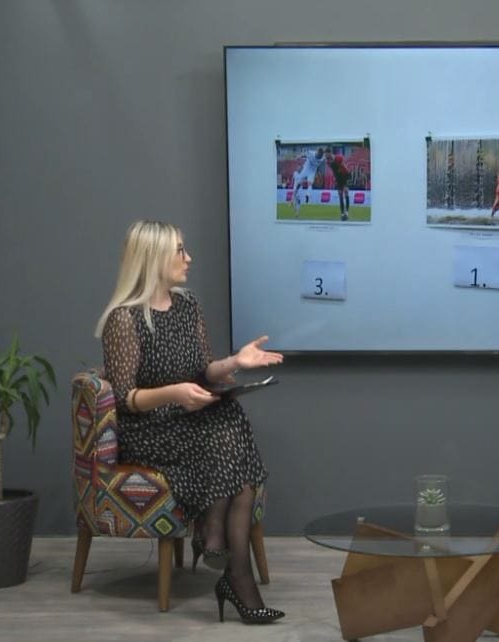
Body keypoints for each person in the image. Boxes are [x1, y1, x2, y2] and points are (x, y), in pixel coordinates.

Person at [94, 220, 285, 624]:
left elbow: (204, 370)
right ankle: (233, 570)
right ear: (153, 257)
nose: (188, 258)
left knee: (230, 416)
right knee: (234, 454)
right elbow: (125, 399)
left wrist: (234, 362)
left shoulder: (188, 305)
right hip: (149, 427)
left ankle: (219, 546)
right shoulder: (124, 319)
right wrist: (174, 393)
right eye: (179, 250)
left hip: (190, 416)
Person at [291, 147, 325, 218]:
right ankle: (295, 193)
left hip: (312, 171)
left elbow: (325, 161)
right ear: (317, 152)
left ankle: (307, 195)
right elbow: (304, 154)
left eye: (320, 155)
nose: (319, 156)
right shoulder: (311, 153)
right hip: (306, 169)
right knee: (299, 183)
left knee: (310, 183)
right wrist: (298, 156)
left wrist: (318, 173)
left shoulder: (322, 158)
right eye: (319, 155)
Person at [328, 150, 352, 221]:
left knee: (346, 193)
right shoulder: (330, 163)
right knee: (340, 195)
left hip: (344, 177)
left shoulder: (339, 159)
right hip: (338, 179)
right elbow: (334, 171)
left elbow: (345, 168)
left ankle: (346, 212)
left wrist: (348, 176)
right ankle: (342, 213)